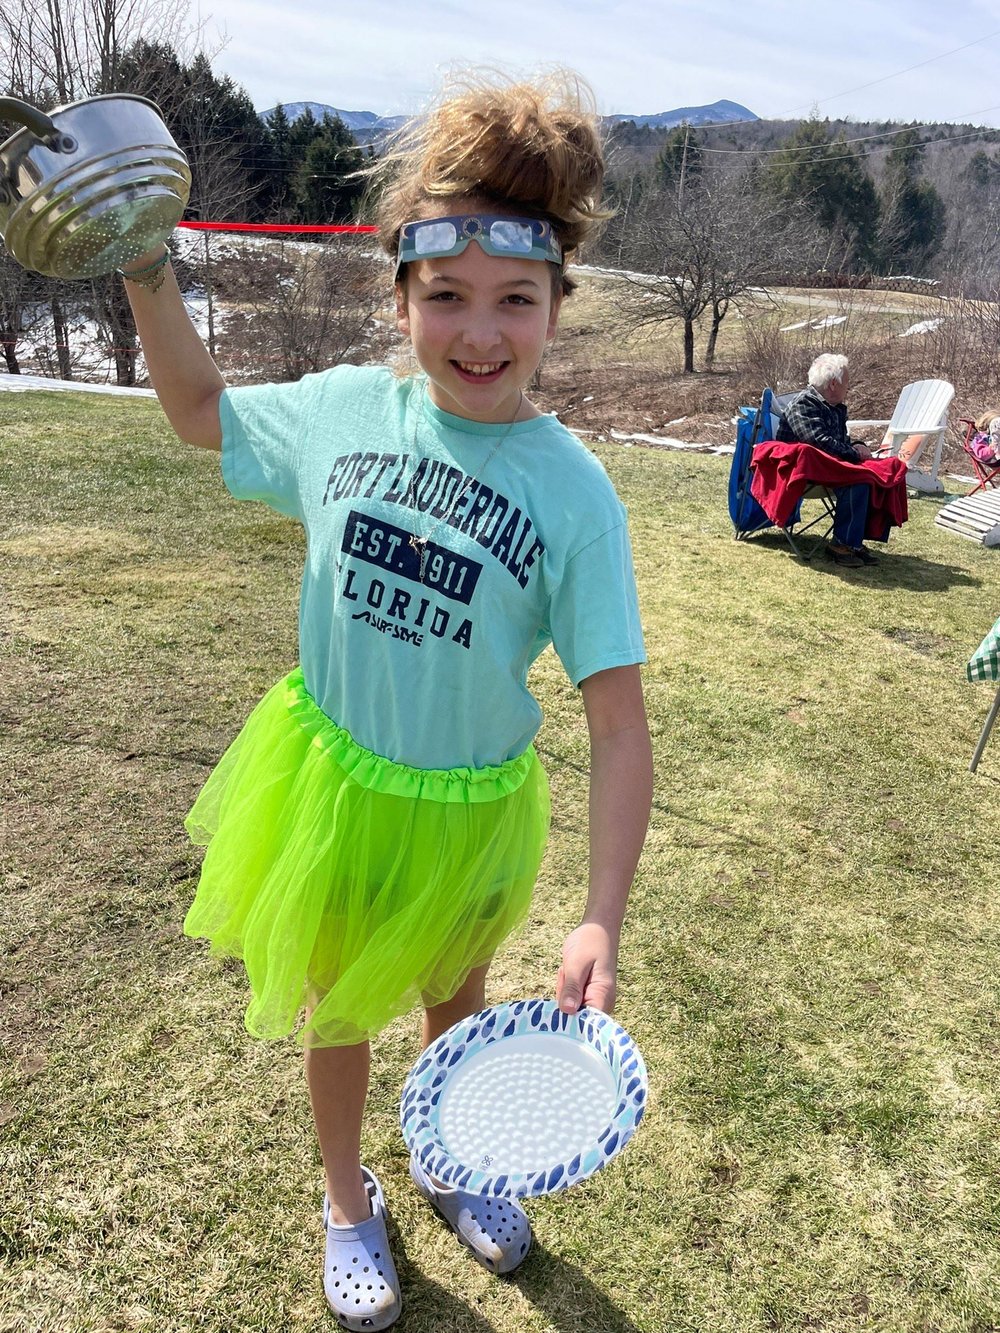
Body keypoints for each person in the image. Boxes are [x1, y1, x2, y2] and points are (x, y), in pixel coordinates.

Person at [117, 70, 652, 1330]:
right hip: (338, 790)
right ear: (398, 297)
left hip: (471, 808)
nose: (480, 332)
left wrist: (602, 918)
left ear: (557, 309)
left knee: (454, 1002)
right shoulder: (343, 414)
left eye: (514, 299)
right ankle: (348, 1198)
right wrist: (145, 264)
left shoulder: (574, 497)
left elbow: (619, 726)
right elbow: (199, 412)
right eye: (446, 296)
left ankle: (447, 1156)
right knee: (341, 1007)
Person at [775, 352, 881, 568]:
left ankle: (852, 541)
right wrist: (853, 455)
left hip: (824, 468)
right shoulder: (803, 404)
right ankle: (841, 545)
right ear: (834, 384)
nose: (848, 388)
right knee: (858, 482)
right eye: (847, 383)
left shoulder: (832, 407)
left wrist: (856, 445)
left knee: (875, 477)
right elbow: (817, 441)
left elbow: (838, 441)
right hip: (801, 474)